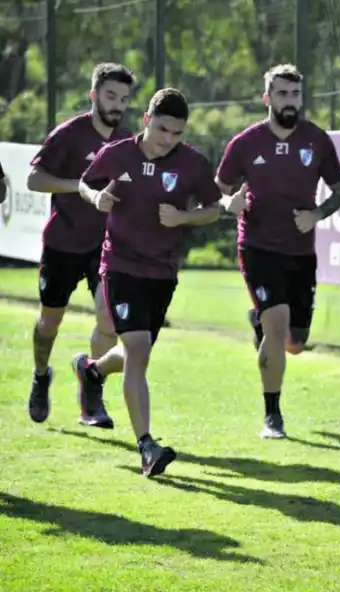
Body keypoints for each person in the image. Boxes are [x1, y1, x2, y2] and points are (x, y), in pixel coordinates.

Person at [72, 88, 232, 477]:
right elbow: (85, 183)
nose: (167, 139)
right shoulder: (118, 154)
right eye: (162, 129)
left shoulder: (192, 162)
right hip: (120, 266)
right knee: (138, 349)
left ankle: (92, 371)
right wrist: (96, 198)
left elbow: (213, 209)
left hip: (162, 273)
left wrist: (183, 218)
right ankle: (147, 446)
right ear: (146, 120)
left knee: (135, 355)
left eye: (176, 133)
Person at [217, 64, 340, 440]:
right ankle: (272, 416)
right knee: (277, 326)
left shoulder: (317, 140)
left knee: (294, 343)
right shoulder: (246, 143)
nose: (290, 101)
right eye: (282, 94)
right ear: (267, 98)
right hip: (258, 247)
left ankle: (259, 323)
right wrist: (230, 203)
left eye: (295, 94)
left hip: (300, 252)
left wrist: (316, 214)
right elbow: (218, 189)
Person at [24, 63, 135, 427]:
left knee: (109, 321)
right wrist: (80, 187)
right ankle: (41, 375)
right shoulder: (69, 134)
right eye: (110, 96)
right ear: (93, 95)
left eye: (123, 99)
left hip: (106, 246)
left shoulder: (128, 140)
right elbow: (34, 179)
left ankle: (92, 392)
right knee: (49, 323)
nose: (117, 105)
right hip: (63, 243)